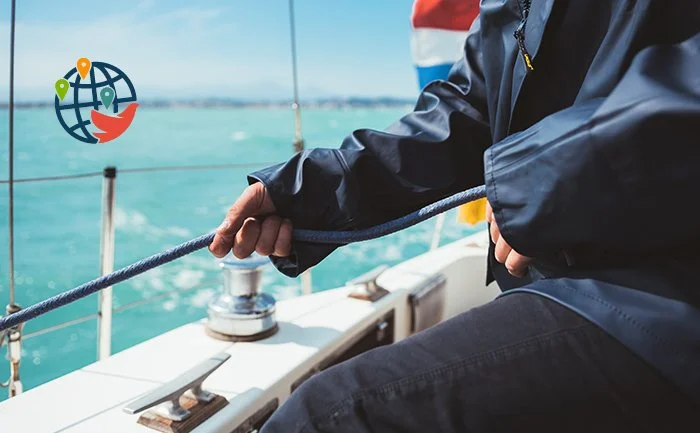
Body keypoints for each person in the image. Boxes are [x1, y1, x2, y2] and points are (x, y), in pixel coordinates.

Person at [210, 0, 700, 431]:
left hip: (663, 291)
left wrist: (546, 181)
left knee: (328, 417)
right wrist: (308, 191)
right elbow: (469, 110)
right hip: (562, 284)